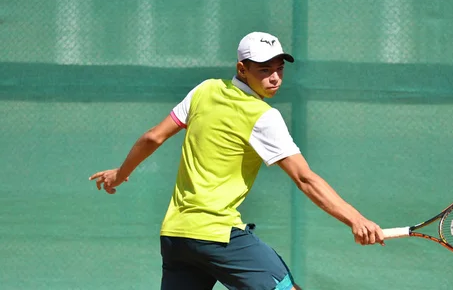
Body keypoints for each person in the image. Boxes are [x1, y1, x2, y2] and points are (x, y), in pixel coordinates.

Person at [89, 31, 384, 290]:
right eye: (264, 69)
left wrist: (119, 174)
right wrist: (355, 219)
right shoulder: (264, 117)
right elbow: (304, 178)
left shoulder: (203, 90)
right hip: (217, 235)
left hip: (176, 237)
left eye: (280, 69)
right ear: (242, 69)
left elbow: (153, 137)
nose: (275, 78)